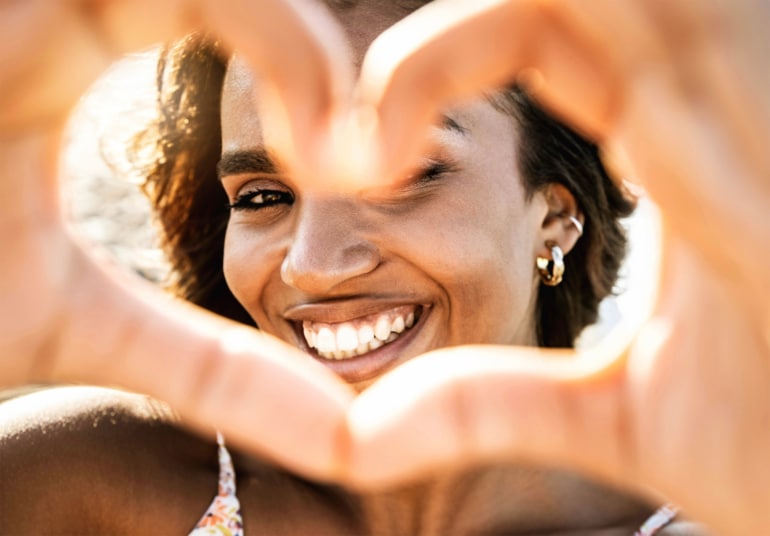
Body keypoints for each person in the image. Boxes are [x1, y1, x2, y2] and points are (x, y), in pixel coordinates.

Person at [0, 0, 767, 534]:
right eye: (263, 195)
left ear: (557, 213)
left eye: (403, 178)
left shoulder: (730, 508)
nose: (314, 264)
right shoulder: (66, 481)